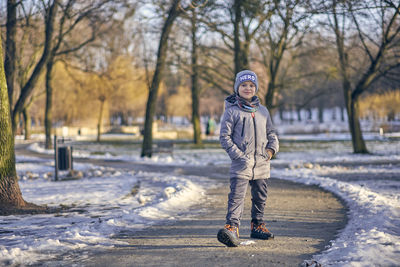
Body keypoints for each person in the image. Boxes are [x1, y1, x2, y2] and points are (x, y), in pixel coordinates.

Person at [217, 70, 279, 247]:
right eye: (243, 85)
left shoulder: (263, 111)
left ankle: (257, 225)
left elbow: (272, 133)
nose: (247, 88)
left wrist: (271, 150)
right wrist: (239, 156)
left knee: (260, 197)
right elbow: (224, 137)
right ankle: (232, 228)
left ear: (256, 88)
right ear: (237, 88)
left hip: (261, 163)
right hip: (241, 164)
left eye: (251, 85)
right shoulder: (232, 112)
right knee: (236, 197)